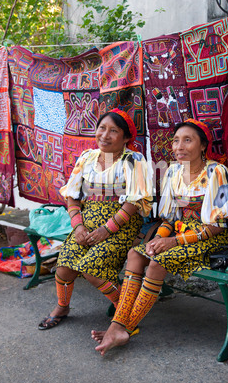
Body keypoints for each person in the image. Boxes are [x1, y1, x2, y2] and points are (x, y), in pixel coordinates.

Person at [92, 119, 228, 355]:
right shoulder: (173, 171)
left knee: (158, 262)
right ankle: (119, 325)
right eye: (176, 141)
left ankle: (123, 327)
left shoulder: (216, 172)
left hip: (211, 237)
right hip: (181, 233)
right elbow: (169, 219)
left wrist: (172, 242)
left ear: (203, 146)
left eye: (188, 140)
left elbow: (219, 224)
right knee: (136, 254)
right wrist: (156, 240)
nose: (179, 146)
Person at [38, 108, 153, 330]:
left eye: (113, 131)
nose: (105, 135)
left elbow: (133, 203)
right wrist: (78, 226)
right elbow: (72, 197)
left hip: (122, 226)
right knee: (64, 268)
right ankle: (63, 306)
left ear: (126, 137)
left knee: (92, 269)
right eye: (102, 128)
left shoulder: (134, 160)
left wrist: (106, 230)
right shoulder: (87, 158)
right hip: (88, 224)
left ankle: (124, 311)